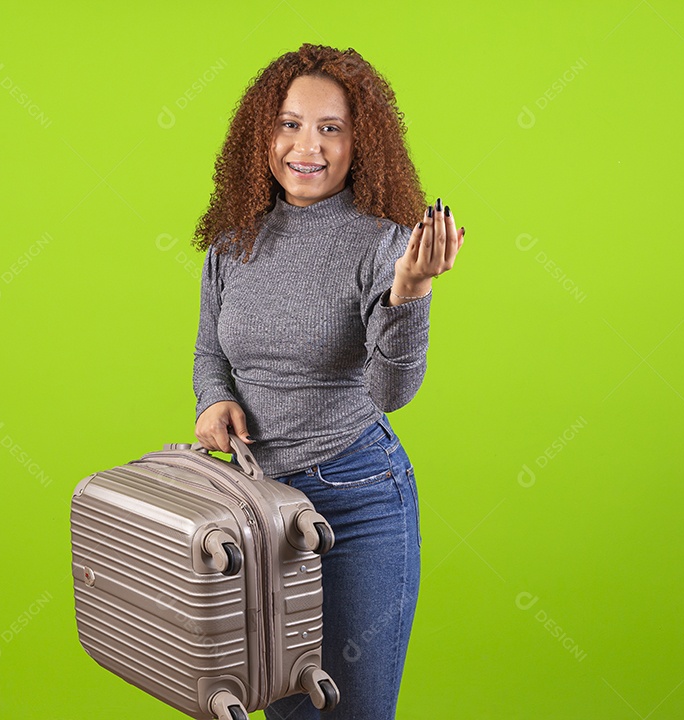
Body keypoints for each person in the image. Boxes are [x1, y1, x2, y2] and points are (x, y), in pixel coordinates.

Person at [190, 43, 463, 720]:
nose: (306, 146)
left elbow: (391, 392)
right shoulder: (235, 239)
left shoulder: (383, 242)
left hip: (355, 501)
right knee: (283, 708)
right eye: (289, 124)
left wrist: (411, 291)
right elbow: (209, 352)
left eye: (330, 128)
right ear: (263, 133)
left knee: (351, 711)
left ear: (359, 141)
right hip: (256, 508)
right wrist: (214, 398)